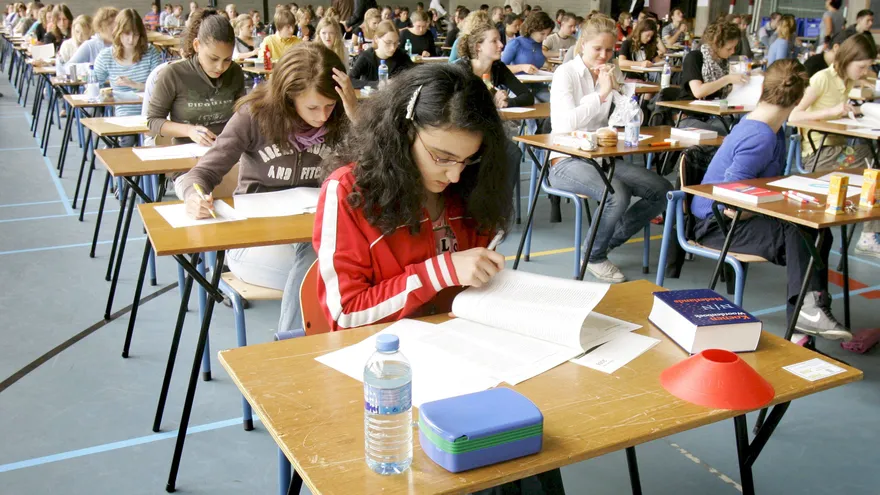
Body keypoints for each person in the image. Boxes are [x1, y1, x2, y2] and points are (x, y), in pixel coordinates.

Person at [315, 63, 512, 331]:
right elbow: (344, 316)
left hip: (455, 341)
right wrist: (440, 272)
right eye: (442, 157)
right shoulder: (347, 190)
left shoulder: (473, 183)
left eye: (468, 158)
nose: (455, 175)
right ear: (403, 132)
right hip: (383, 349)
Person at [178, 44, 356, 332]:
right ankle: (294, 347)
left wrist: (355, 115)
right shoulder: (253, 116)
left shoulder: (344, 119)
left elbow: (378, 169)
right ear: (288, 98)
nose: (323, 116)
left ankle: (294, 345)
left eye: (330, 105)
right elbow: (202, 173)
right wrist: (193, 196)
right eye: (312, 107)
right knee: (329, 272)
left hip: (315, 234)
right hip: (255, 240)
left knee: (327, 260)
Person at [692, 59, 852, 341]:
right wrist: (773, 206)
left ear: (763, 89)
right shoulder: (761, 136)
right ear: (798, 99)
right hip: (716, 224)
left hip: (732, 216)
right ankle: (806, 313)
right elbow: (731, 202)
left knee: (814, 232)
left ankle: (804, 318)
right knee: (805, 235)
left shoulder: (765, 125)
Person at [548, 14, 672, 283]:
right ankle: (594, 255)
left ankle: (601, 243)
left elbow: (631, 120)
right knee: (616, 193)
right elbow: (563, 124)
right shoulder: (565, 74)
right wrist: (601, 94)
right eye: (597, 49)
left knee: (662, 190)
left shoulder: (611, 72)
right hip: (566, 160)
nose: (604, 56)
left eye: (609, 50)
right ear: (582, 44)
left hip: (603, 157)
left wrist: (623, 96)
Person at [789, 35, 880, 257]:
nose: (864, 72)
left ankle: (870, 232)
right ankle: (869, 235)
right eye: (861, 67)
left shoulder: (847, 81)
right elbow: (793, 115)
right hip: (819, 154)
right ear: (847, 59)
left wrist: (853, 112)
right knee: (874, 168)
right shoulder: (822, 78)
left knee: (874, 159)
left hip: (838, 150)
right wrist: (831, 112)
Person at [148, 8, 245, 147]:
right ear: (197, 45)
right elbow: (153, 121)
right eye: (213, 58)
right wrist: (189, 130)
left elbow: (243, 114)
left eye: (227, 59)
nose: (220, 67)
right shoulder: (173, 74)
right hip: (187, 151)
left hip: (227, 150)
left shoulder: (235, 71)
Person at [456, 20, 531, 189]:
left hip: (488, 131)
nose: (501, 45)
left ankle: (500, 202)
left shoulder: (497, 68)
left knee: (512, 152)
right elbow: (459, 107)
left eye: (500, 40)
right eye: (494, 41)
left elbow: (527, 96)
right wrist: (490, 102)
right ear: (478, 46)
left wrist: (507, 101)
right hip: (464, 131)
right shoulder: (461, 70)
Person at [92, 8, 162, 146]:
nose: (131, 40)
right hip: (124, 112)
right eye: (127, 34)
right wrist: (104, 94)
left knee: (156, 140)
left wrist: (135, 85)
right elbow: (94, 84)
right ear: (118, 32)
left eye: (136, 34)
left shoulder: (151, 52)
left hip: (150, 109)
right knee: (127, 140)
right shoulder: (106, 56)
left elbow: (160, 86)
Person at [677, 21, 747, 135]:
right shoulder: (694, 57)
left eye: (734, 47)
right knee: (728, 135)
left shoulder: (724, 63)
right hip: (691, 117)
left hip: (715, 116)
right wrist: (727, 79)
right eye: (729, 48)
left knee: (744, 130)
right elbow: (698, 92)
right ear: (716, 45)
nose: (733, 51)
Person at [349, 20, 413, 81]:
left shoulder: (402, 56)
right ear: (376, 39)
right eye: (388, 42)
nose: (393, 48)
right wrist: (377, 84)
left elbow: (415, 75)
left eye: (396, 43)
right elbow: (350, 80)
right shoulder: (366, 57)